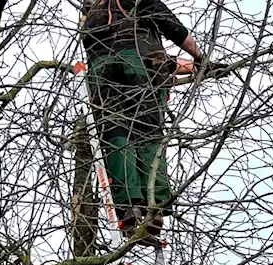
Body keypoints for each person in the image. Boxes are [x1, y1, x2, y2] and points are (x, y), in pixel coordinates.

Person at [79, 0, 205, 238]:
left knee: (115, 134)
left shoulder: (92, 11)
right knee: (148, 133)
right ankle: (154, 206)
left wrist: (191, 68)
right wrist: (201, 57)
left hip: (101, 70)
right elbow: (176, 32)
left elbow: (162, 62)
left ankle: (128, 208)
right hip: (138, 67)